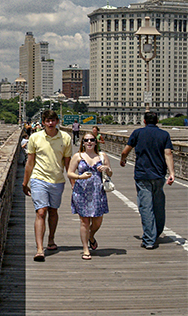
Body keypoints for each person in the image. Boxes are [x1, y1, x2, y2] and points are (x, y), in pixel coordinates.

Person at [120, 112, 177, 249]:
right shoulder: (164, 135)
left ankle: (149, 239)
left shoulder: (137, 133)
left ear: (144, 121)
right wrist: (172, 173)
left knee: (146, 207)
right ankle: (156, 231)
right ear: (157, 120)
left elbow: (125, 151)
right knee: (158, 205)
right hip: (159, 175)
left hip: (142, 174)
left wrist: (123, 159)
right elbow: (168, 153)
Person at [24, 110, 75, 261]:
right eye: (48, 121)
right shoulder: (35, 138)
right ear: (43, 122)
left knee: (53, 211)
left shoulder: (65, 138)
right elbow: (30, 162)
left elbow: (67, 163)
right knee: (41, 211)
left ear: (57, 121)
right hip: (38, 179)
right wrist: (25, 182)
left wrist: (73, 183)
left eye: (53, 120)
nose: (51, 123)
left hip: (57, 180)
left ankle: (51, 239)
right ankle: (40, 249)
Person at [67, 132, 110, 260]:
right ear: (83, 143)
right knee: (84, 221)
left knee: (97, 221)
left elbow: (110, 172)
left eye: (92, 140)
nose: (89, 142)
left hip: (98, 191)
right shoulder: (78, 156)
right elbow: (69, 173)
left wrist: (106, 169)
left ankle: (91, 236)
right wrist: (80, 177)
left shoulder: (102, 156)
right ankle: (85, 248)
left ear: (96, 142)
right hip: (81, 191)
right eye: (86, 140)